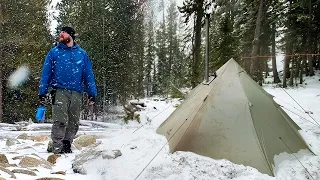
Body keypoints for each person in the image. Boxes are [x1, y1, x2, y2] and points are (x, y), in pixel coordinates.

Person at [38, 26, 97, 154]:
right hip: (59, 91)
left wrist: (92, 93)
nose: (61, 36)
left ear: (71, 36)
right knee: (60, 120)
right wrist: (42, 92)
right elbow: (46, 74)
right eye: (60, 34)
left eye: (63, 34)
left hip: (76, 92)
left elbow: (88, 75)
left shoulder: (82, 54)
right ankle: (57, 147)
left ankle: (67, 144)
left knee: (74, 121)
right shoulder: (54, 52)